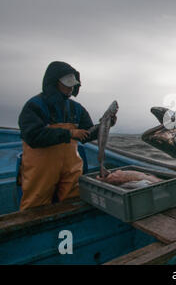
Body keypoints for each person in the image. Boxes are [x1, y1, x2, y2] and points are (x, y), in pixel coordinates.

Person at [18, 61, 115, 211]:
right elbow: (32, 136)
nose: (71, 88)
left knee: (73, 200)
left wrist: (105, 125)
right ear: (53, 82)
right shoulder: (35, 105)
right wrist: (69, 133)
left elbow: (86, 134)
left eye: (73, 84)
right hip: (41, 168)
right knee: (36, 202)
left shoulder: (76, 108)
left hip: (71, 167)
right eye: (66, 84)